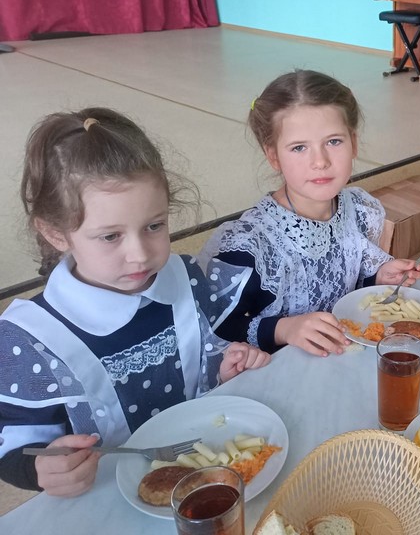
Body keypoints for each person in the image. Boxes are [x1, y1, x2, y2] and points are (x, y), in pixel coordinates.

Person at [0, 108, 270, 497]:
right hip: (101, 501)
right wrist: (39, 469)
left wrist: (225, 370)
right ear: (56, 233)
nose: (140, 255)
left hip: (204, 483)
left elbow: (202, 362)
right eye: (110, 236)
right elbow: (13, 443)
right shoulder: (31, 339)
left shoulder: (185, 278)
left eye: (154, 226)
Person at [199, 69, 420, 356]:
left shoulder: (357, 209)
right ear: (273, 156)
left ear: (354, 143)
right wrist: (285, 329)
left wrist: (378, 277)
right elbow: (216, 328)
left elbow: (347, 278)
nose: (320, 161)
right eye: (299, 147)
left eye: (333, 142)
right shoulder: (249, 246)